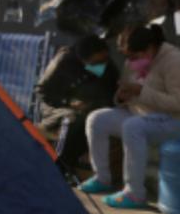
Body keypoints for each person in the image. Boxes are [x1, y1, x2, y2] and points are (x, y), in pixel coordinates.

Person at [79, 25, 180, 208]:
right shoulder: (132, 63)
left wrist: (141, 92)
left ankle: (134, 193)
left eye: (134, 56)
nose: (130, 62)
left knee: (133, 126)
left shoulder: (175, 61)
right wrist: (122, 96)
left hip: (175, 122)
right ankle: (102, 178)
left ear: (150, 48)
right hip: (142, 115)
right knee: (96, 119)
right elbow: (128, 96)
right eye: (127, 57)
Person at [36, 35, 119, 171]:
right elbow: (43, 92)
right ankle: (59, 164)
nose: (102, 64)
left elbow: (111, 91)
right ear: (83, 60)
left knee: (94, 119)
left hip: (89, 107)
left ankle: (75, 162)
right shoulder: (64, 61)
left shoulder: (106, 65)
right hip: (57, 106)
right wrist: (69, 102)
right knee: (71, 119)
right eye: (95, 63)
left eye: (105, 59)